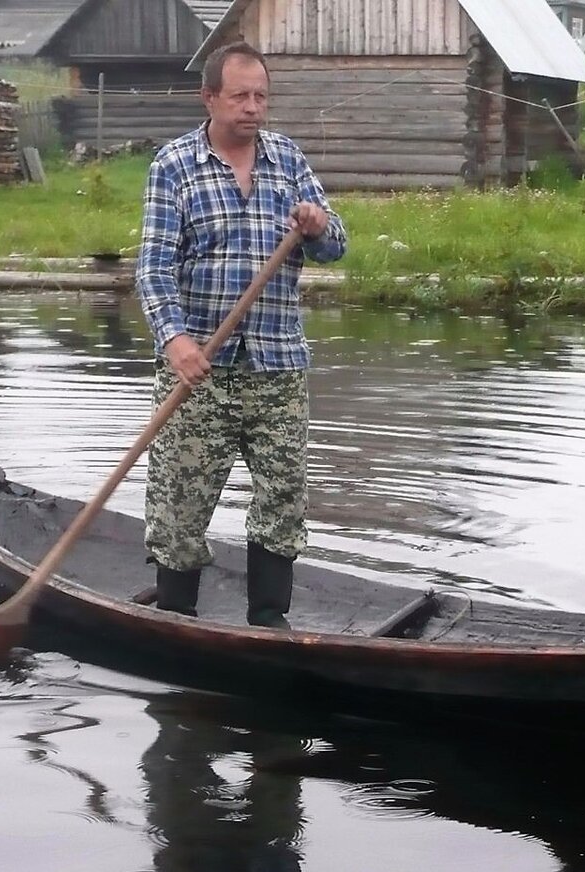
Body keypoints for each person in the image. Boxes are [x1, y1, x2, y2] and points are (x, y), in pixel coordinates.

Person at [135, 41, 347, 627]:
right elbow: (153, 266)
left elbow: (336, 245)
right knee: (179, 500)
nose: (253, 108)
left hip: (277, 367)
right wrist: (175, 341)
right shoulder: (174, 166)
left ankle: (268, 622)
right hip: (200, 369)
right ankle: (175, 618)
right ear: (210, 98)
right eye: (240, 97)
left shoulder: (288, 160)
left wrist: (318, 224)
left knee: (282, 497)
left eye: (261, 96)